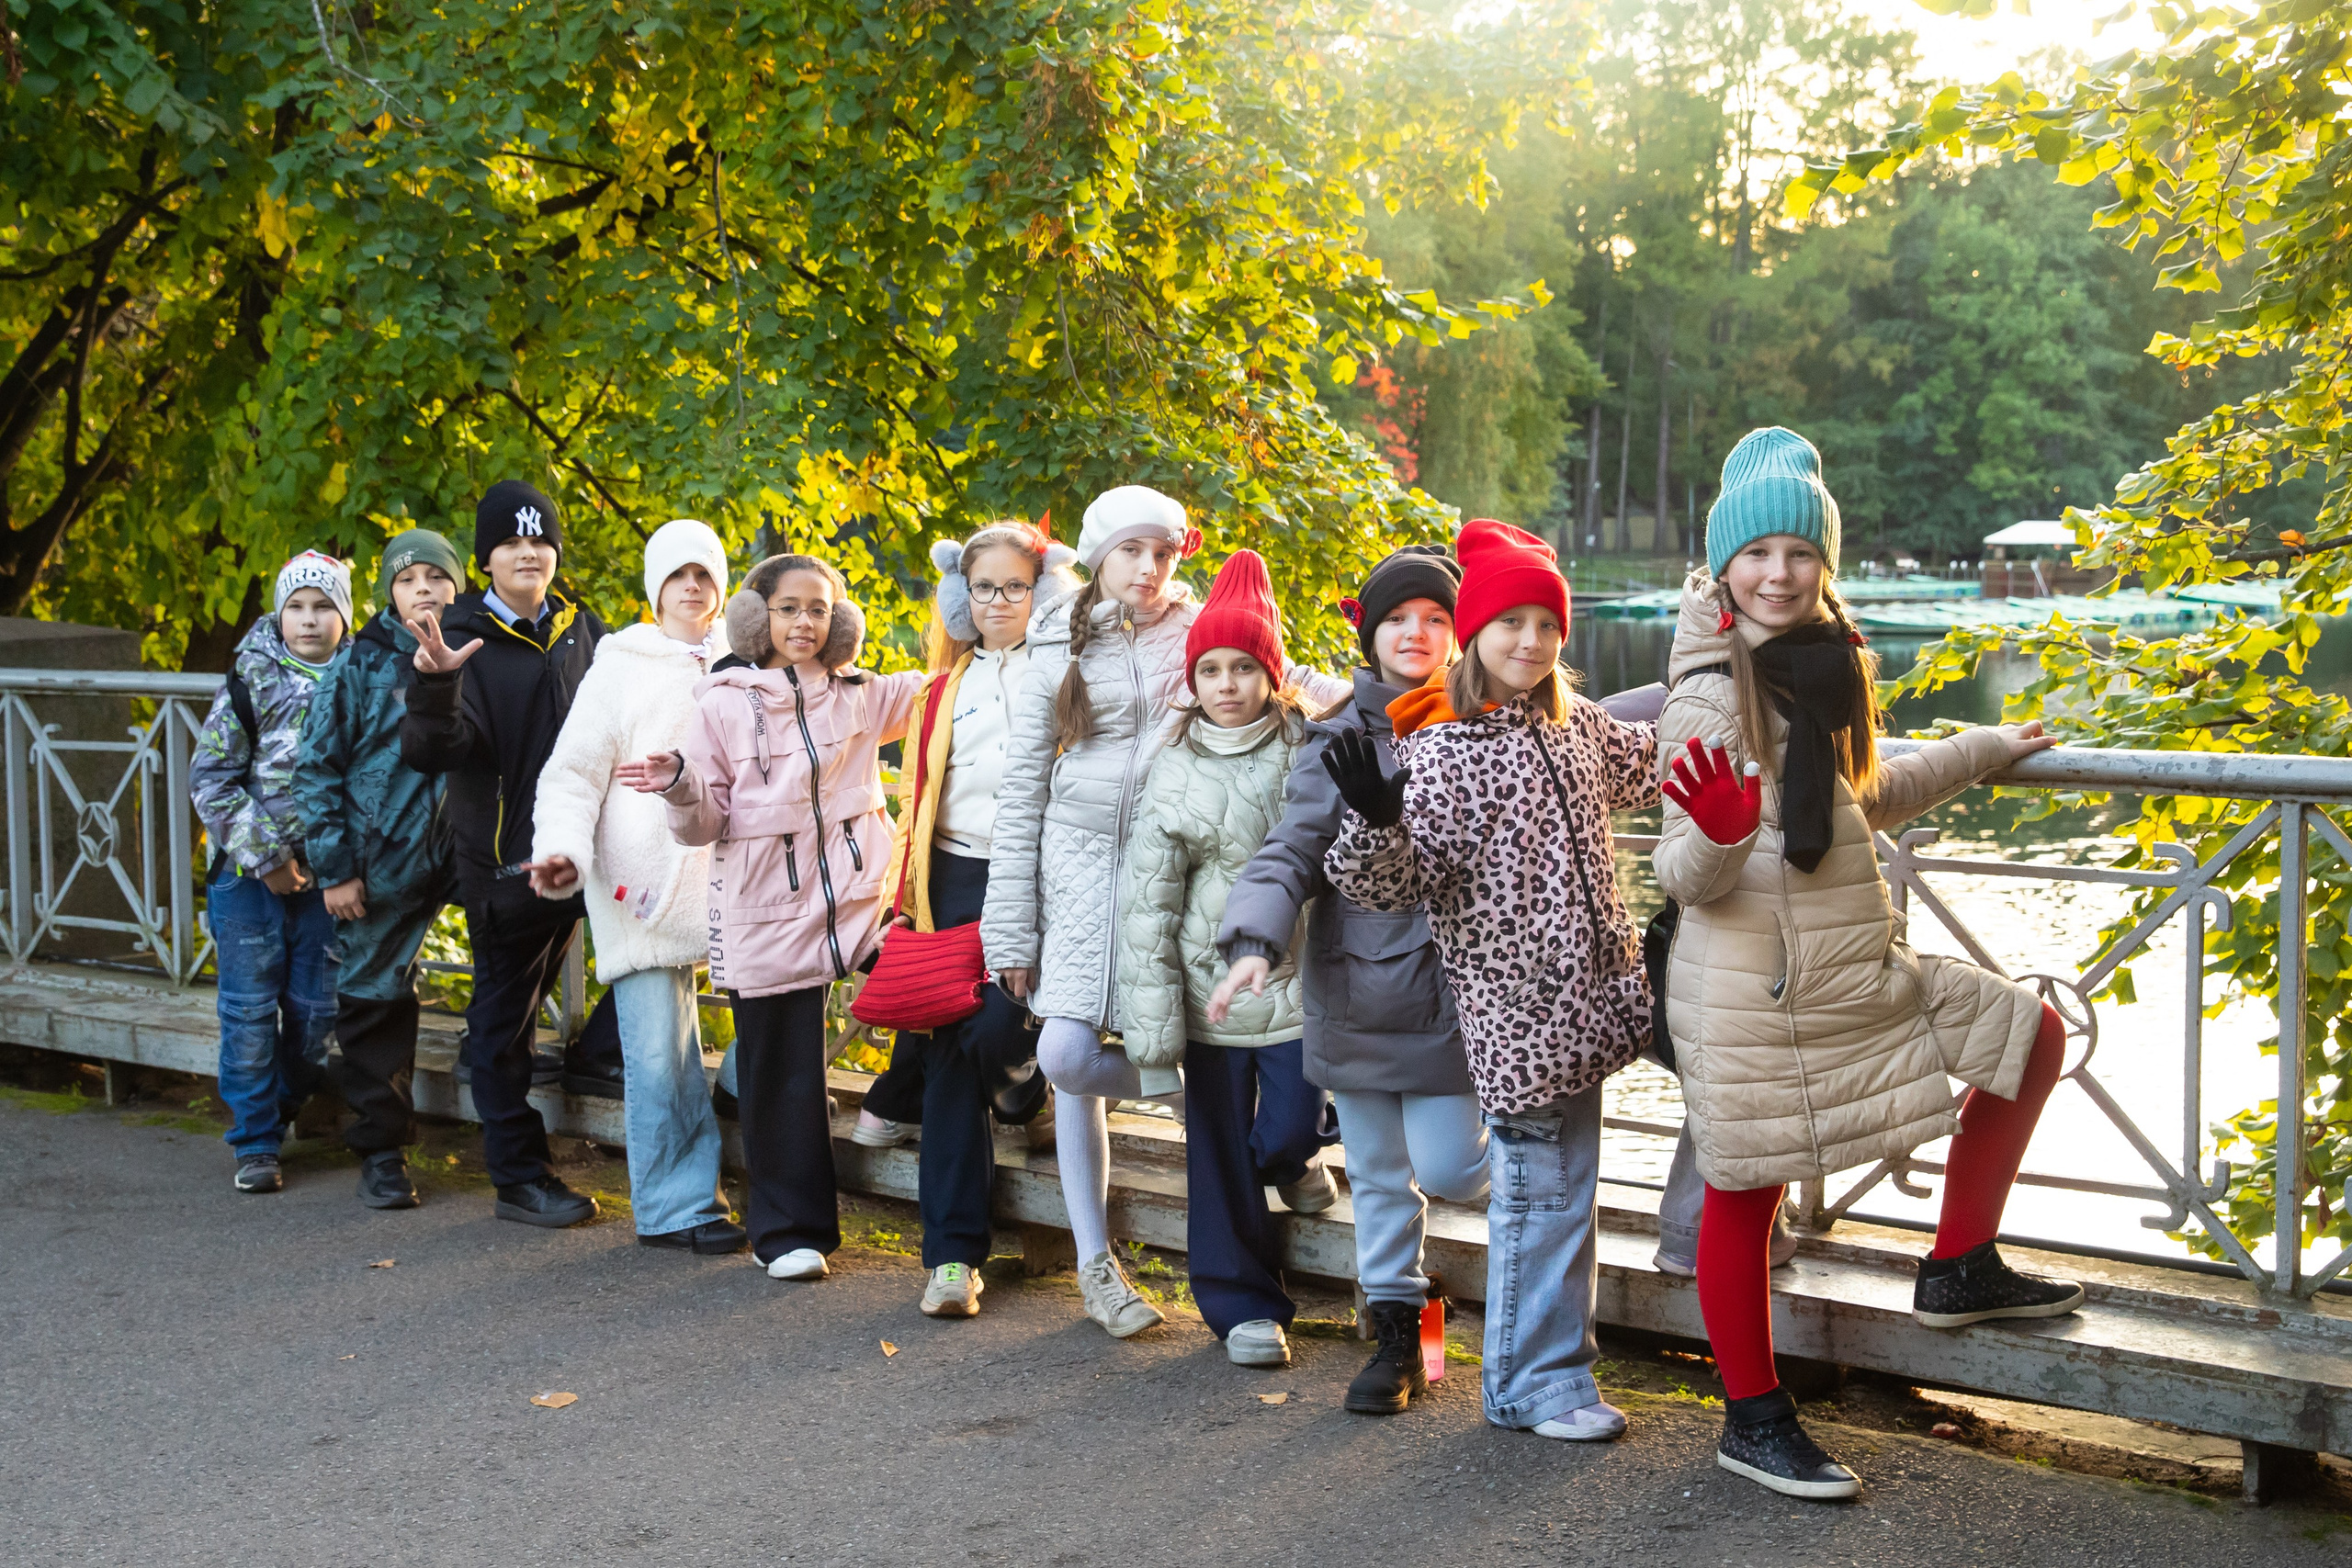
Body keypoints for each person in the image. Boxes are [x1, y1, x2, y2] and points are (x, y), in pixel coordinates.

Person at [1654, 426, 2077, 1501]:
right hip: (1756, 989)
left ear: (1823, 565)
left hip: (1853, 971)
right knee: (1741, 1194)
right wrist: (1713, 829)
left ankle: (1958, 1265)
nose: (1780, 573)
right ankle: (1750, 1421)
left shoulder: (1825, 667)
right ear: (1726, 566)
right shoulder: (1707, 694)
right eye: (1757, 555)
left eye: (1799, 553)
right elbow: (1685, 874)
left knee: (2029, 1035)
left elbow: (1859, 799)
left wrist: (1986, 748)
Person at [982, 487, 1348, 1339]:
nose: (1149, 570)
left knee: (1208, 1040)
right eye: (1131, 552)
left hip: (1177, 880)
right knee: (1067, 1057)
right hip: (1075, 880)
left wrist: (1414, 696)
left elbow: (1295, 683)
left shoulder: (1201, 630)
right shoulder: (1051, 645)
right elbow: (1021, 792)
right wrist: (1012, 926)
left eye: (1164, 553)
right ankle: (1096, 1263)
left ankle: (1266, 1149)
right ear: (1099, 554)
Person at [1324, 518, 1657, 1443]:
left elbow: (1658, 758)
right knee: (1538, 1201)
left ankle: (1558, 1374)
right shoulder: (1445, 749)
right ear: (1473, 635)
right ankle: (1526, 1386)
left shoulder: (1576, 723)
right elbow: (1382, 886)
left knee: (1566, 1198)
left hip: (1590, 1008)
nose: (1529, 640)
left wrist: (1731, 685)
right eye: (1508, 622)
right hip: (1517, 1018)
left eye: (1545, 624)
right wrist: (1376, 819)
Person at [1212, 544, 1491, 1412]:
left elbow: (1598, 723)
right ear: (1370, 635)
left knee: (1451, 1171)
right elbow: (1290, 847)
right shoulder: (1337, 737)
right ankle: (1405, 1336)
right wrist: (1255, 937)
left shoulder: (1493, 718)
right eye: (1398, 619)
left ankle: (1478, 1302)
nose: (1417, 633)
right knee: (1375, 1172)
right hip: (1360, 987)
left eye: (1437, 618)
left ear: (1459, 631)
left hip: (1461, 994)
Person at [634, 553, 925, 1280]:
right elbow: (704, 823)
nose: (805, 621)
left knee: (937, 993)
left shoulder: (861, 694)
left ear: (841, 624)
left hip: (857, 904)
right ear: (759, 618)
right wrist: (677, 785)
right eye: (790, 607)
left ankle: (896, 1100)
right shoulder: (721, 703)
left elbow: (948, 686)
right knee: (782, 1075)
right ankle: (790, 1233)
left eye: (819, 609)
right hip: (765, 911)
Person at [1116, 549, 1327, 1369]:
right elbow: (1147, 906)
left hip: (1299, 988)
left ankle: (1302, 1155)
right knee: (1217, 1152)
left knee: (1278, 1133)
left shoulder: (1308, 749)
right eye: (1212, 669)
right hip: (1210, 996)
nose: (1229, 684)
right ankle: (1244, 1305)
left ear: (1272, 674)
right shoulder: (1172, 770)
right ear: (1193, 679)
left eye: (1245, 666)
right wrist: (1154, 1034)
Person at [871, 522, 1079, 1316]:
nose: (998, 602)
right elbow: (919, 801)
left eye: (1015, 586)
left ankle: (1024, 1086)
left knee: (994, 1028)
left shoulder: (1066, 672)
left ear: (1042, 592)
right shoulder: (941, 685)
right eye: (983, 587)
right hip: (952, 875)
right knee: (951, 1044)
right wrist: (903, 903)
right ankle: (953, 1257)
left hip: (1035, 872)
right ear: (962, 596)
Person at [526, 520, 745, 1256]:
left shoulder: (745, 660)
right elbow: (573, 772)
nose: (692, 585)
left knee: (785, 1016)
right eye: (677, 573)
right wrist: (558, 849)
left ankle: (740, 1126)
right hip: (642, 886)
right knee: (660, 1053)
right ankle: (678, 1206)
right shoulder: (619, 664)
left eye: (705, 573)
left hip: (736, 881)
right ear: (655, 587)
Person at [399, 479, 608, 1228]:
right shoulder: (455, 635)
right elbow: (432, 751)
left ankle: (590, 1058)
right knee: (503, 1025)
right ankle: (519, 1176)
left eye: (541, 541)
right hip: (506, 868)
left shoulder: (582, 627)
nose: (530, 552)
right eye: (513, 542)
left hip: (587, 857)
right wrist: (436, 684)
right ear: (487, 557)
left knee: (651, 955)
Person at [292, 530, 464, 1209]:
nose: (423, 587)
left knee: (521, 946)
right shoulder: (358, 665)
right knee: (374, 1002)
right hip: (382, 860)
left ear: (457, 584)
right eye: (407, 578)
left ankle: (490, 1059)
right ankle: (382, 1149)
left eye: (435, 576)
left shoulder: (478, 651)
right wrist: (334, 869)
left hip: (468, 851)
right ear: (390, 593)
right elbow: (316, 768)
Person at [192, 550, 356, 1194]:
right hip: (249, 879)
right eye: (297, 607)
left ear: (343, 617)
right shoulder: (249, 679)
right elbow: (211, 778)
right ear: (280, 613)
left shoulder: (361, 681)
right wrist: (267, 860)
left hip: (328, 879)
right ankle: (255, 1138)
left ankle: (285, 1101)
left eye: (323, 608)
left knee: (316, 1012)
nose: (309, 620)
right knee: (249, 1011)